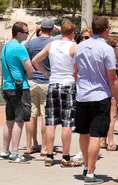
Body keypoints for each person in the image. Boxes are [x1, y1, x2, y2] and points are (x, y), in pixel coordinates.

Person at [73, 17, 118, 185]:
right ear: (106, 30)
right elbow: (112, 78)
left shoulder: (80, 46)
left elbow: (76, 71)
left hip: (82, 95)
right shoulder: (106, 49)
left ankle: (86, 166)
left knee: (83, 132)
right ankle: (91, 173)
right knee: (95, 134)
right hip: (99, 96)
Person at [32, 21, 82, 167]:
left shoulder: (52, 45)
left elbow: (35, 60)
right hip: (68, 84)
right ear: (73, 33)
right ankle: (65, 156)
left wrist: (46, 73)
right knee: (67, 122)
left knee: (51, 121)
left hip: (53, 83)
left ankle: (49, 155)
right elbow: (78, 67)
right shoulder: (74, 47)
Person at [0, 22, 35, 163]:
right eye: (26, 32)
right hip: (19, 88)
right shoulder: (20, 48)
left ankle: (5, 150)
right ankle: (15, 152)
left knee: (9, 120)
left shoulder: (6, 46)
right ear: (19, 33)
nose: (27, 34)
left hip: (7, 87)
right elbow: (29, 68)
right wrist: (30, 75)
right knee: (19, 121)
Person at [24, 18, 54, 156]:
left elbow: (24, 47)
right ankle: (44, 148)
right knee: (45, 116)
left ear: (40, 28)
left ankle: (30, 145)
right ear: (52, 29)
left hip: (32, 81)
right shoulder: (53, 43)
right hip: (47, 81)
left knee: (31, 115)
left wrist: (33, 33)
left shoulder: (31, 43)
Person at [102, 38, 118, 151]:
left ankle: (104, 140)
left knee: (110, 117)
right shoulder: (110, 60)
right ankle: (110, 143)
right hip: (112, 90)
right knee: (112, 117)